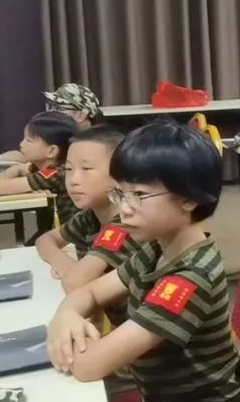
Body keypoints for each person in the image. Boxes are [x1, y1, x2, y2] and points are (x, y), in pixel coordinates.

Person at [45, 120, 240, 402]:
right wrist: (65, 316)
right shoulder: (157, 248)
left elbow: (87, 366)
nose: (125, 208)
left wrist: (65, 325)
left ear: (189, 198)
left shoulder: (190, 279)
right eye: (120, 193)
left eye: (140, 195)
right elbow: (85, 293)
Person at [35, 126, 152, 294]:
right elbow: (45, 239)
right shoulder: (90, 216)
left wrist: (73, 273)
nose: (73, 180)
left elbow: (75, 283)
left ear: (119, 175)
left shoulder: (127, 223)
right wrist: (64, 263)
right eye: (69, 169)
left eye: (86, 169)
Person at [0, 111, 79, 223]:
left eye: (29, 140)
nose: (21, 144)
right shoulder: (45, 166)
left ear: (52, 151)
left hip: (69, 231)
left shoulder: (55, 174)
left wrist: (17, 169)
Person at [2, 83, 102, 162]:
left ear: (80, 115)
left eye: (59, 108)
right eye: (51, 106)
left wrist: (27, 158)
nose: (51, 112)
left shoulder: (94, 144)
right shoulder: (65, 136)